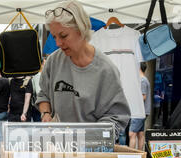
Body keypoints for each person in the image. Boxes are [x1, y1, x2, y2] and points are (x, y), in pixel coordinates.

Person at [36, 0, 130, 140]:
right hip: (58, 146)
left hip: (91, 153)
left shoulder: (106, 70)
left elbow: (116, 117)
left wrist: (91, 138)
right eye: (54, 37)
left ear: (81, 29)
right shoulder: (53, 61)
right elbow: (43, 95)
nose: (58, 43)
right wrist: (46, 114)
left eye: (63, 36)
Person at [129, 62, 151, 150]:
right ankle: (140, 154)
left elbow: (143, 96)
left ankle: (131, 156)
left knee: (132, 134)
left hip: (138, 112)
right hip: (142, 111)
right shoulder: (144, 80)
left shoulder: (142, 81)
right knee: (140, 134)